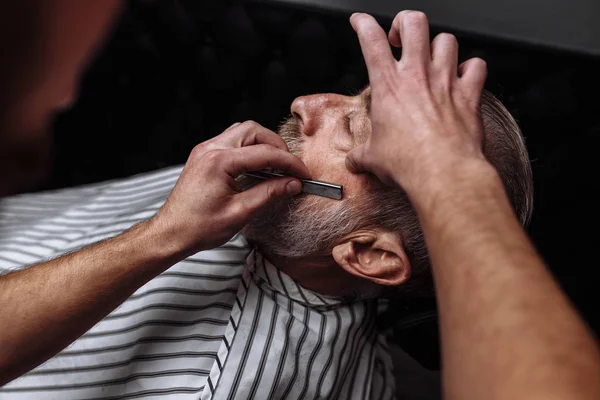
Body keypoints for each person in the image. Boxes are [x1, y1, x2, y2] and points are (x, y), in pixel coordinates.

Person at [0, 3, 599, 399]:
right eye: (354, 97)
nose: (307, 103)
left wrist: (157, 239)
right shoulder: (246, 194)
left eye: (356, 132)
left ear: (367, 255)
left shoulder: (219, 382)